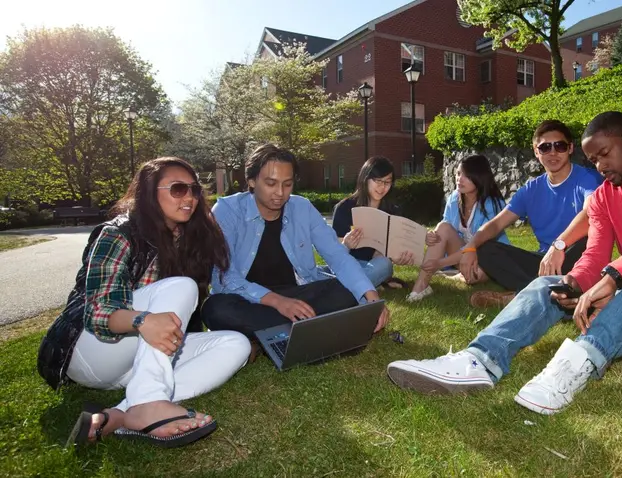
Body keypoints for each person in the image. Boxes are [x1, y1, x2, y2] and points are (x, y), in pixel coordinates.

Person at [386, 111, 622, 416]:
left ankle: (581, 361)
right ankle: (479, 360)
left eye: (605, 154)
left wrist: (614, 277)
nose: (601, 167)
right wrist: (575, 282)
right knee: (550, 284)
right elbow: (594, 254)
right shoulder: (605, 195)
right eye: (595, 161)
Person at [60, 157, 251, 447]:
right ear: (150, 192)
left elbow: (186, 319)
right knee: (182, 286)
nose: (189, 197)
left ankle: (123, 414)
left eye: (194, 190)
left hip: (137, 362)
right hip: (92, 350)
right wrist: (143, 320)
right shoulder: (118, 233)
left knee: (237, 344)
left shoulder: (193, 238)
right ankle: (149, 400)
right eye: (177, 189)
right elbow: (97, 313)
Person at [201, 143, 390, 345]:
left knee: (346, 291)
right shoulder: (227, 210)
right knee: (215, 308)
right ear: (252, 181)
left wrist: (371, 296)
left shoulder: (302, 207)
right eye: (271, 183)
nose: (280, 193)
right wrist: (278, 302)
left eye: (287, 184)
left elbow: (338, 255)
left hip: (297, 293)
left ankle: (272, 335)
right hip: (248, 297)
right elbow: (223, 277)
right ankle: (309, 329)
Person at [459, 119, 603, 308]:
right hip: (544, 262)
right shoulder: (531, 189)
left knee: (585, 243)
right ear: (536, 152)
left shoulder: (588, 179)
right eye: (545, 148)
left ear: (570, 148)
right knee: (485, 249)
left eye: (559, 146)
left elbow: (590, 214)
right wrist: (470, 247)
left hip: (574, 257)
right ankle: (545, 294)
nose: (553, 153)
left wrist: (558, 246)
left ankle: (522, 295)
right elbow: (495, 224)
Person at [407, 154, 509, 302]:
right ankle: (420, 287)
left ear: (479, 177)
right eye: (458, 173)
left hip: (487, 257)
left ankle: (455, 275)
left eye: (466, 175)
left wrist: (439, 264)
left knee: (474, 276)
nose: (459, 179)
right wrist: (433, 235)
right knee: (443, 227)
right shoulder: (454, 198)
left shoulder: (493, 204)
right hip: (463, 254)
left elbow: (480, 246)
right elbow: (445, 227)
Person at [323, 156, 414, 289]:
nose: (382, 187)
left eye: (387, 182)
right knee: (320, 270)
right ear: (365, 179)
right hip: (349, 264)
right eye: (378, 181)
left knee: (385, 264)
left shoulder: (391, 211)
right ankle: (366, 285)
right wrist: (346, 243)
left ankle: (345, 287)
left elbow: (390, 250)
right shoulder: (344, 207)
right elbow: (336, 253)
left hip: (374, 266)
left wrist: (397, 257)